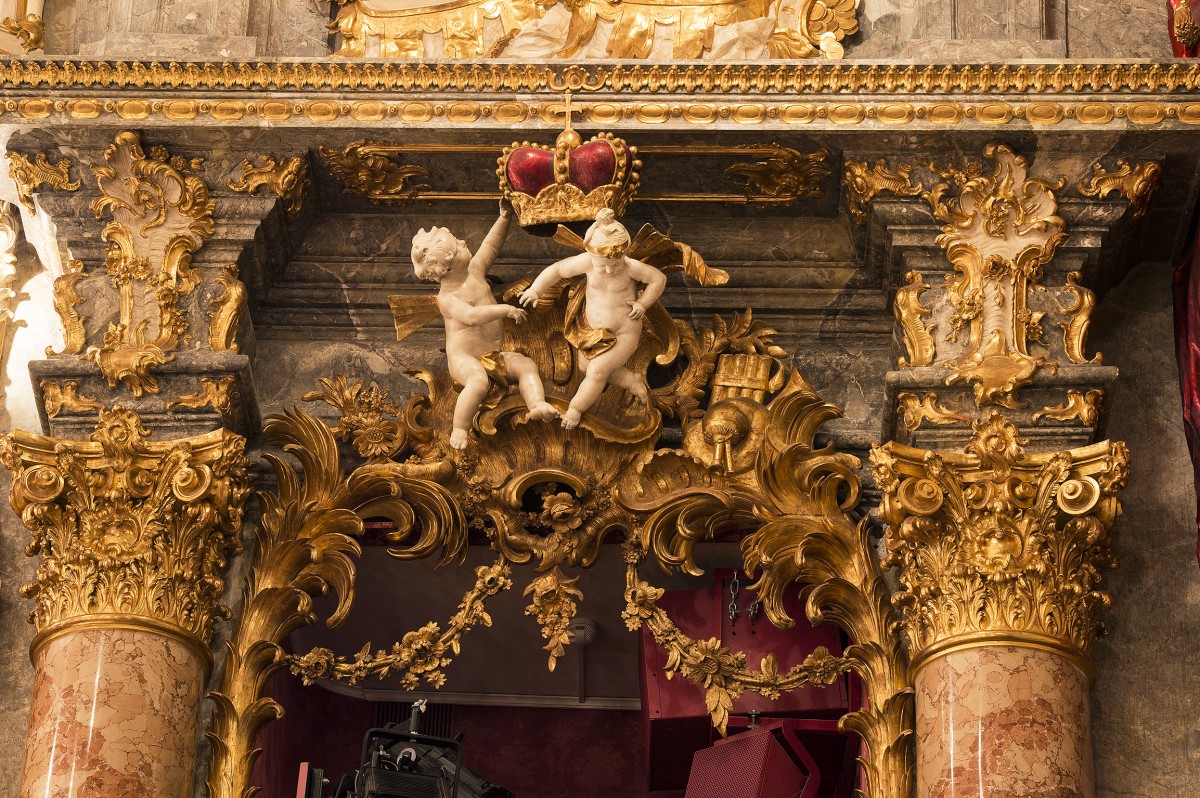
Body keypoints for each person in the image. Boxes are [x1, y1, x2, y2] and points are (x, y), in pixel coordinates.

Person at [412, 203, 558, 449]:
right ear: (445, 266)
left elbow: (490, 246)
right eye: (458, 246)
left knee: (525, 364)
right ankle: (460, 427)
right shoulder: (447, 298)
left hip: (493, 355)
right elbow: (472, 316)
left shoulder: (475, 272)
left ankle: (536, 405)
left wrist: (503, 218)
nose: (463, 242)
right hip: (464, 358)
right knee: (478, 381)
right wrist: (506, 309)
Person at [519, 209, 667, 429]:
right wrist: (535, 290)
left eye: (614, 264)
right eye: (602, 264)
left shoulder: (629, 267)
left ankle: (575, 409)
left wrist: (643, 304)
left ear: (623, 255)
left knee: (597, 371)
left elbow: (658, 278)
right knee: (585, 367)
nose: (608, 270)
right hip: (591, 332)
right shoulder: (588, 262)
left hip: (624, 331)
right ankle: (630, 380)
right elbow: (558, 270)